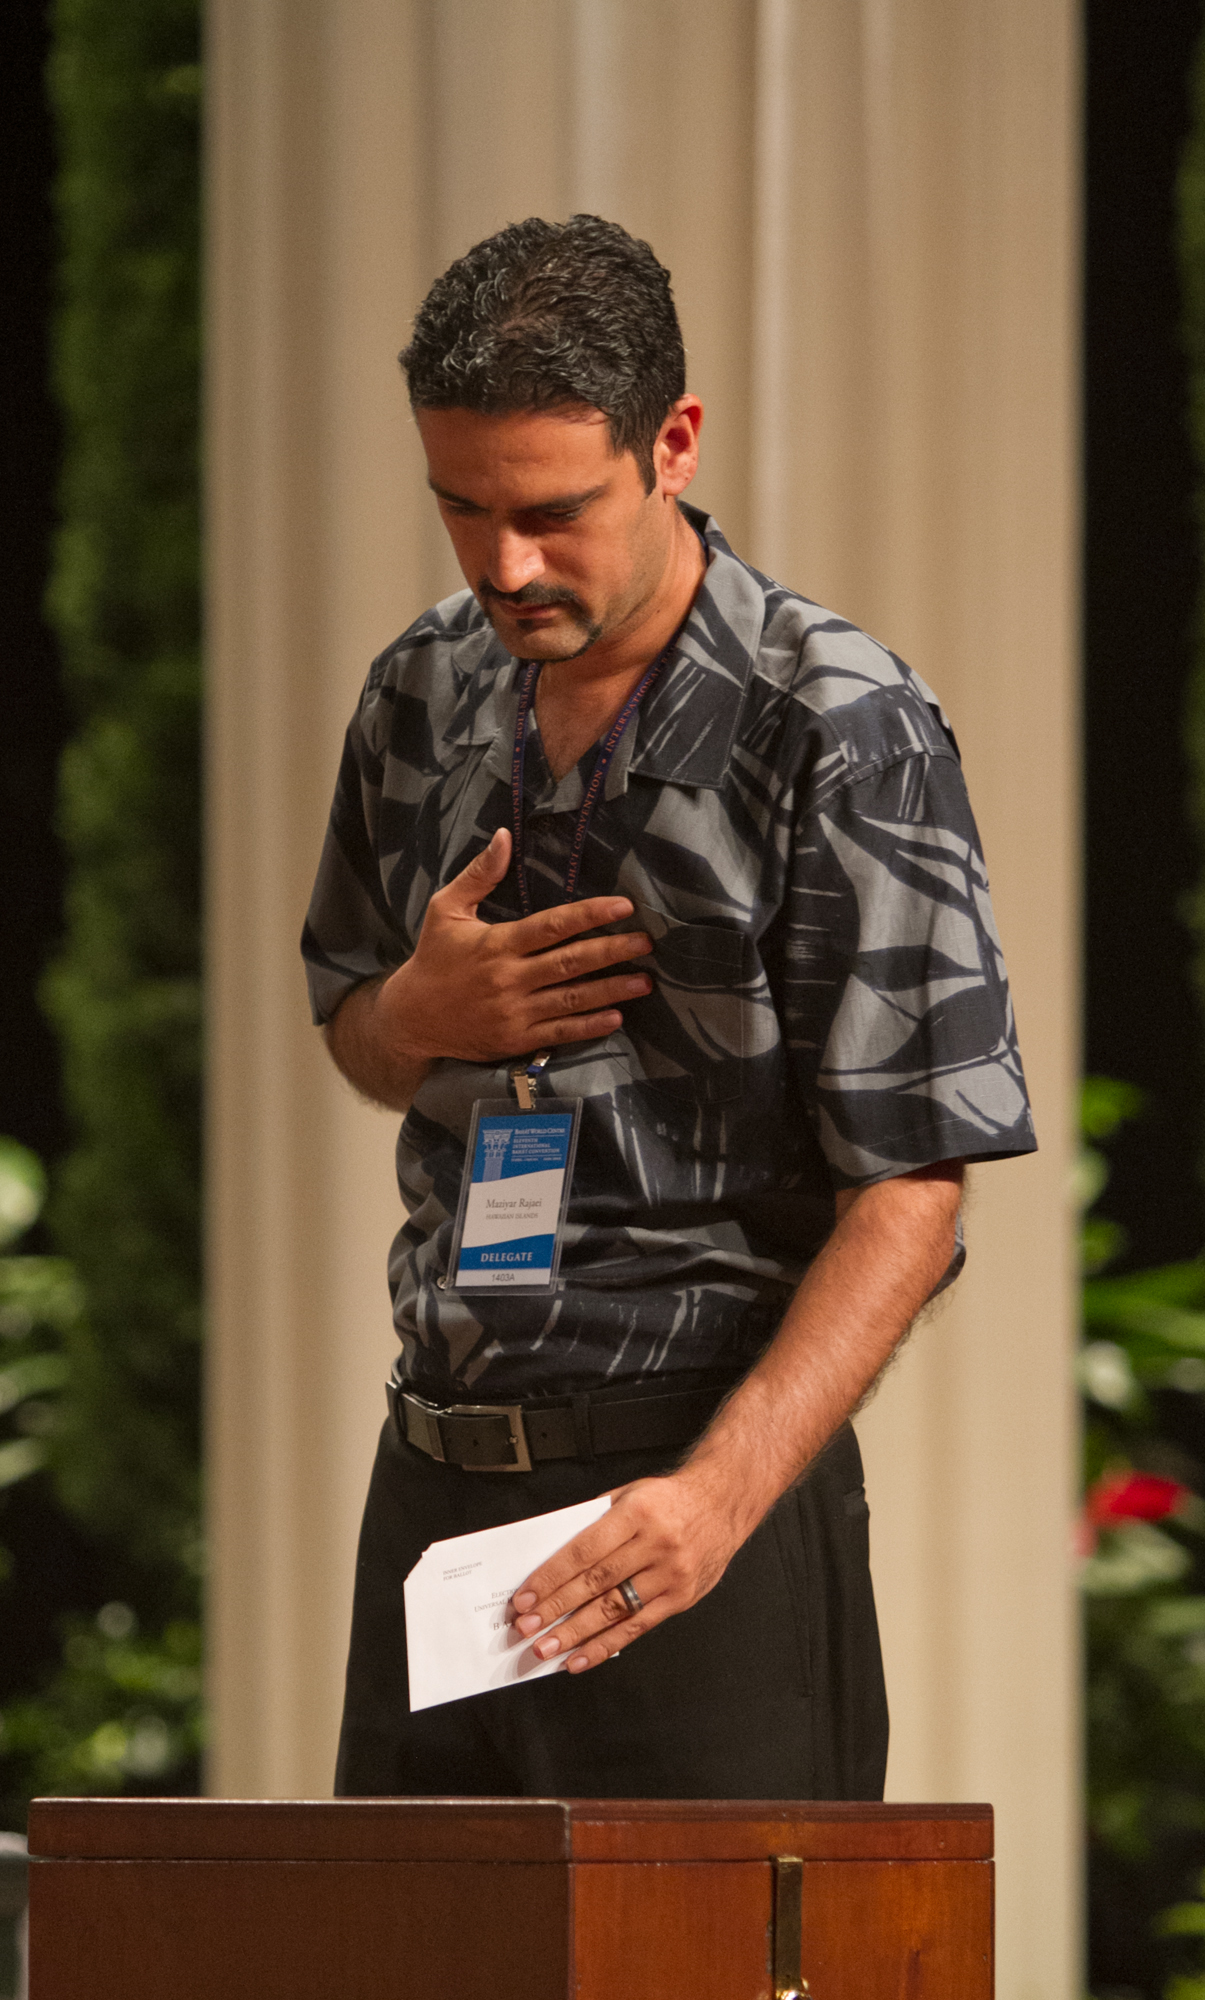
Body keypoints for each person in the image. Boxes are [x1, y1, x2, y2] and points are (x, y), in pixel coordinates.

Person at [302, 214, 1035, 1800]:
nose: (503, 565)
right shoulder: (421, 688)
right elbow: (356, 1033)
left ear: (672, 444)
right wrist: (422, 1010)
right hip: (438, 1478)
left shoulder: (836, 722)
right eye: (461, 509)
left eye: (553, 514)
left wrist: (709, 1505)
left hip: (688, 1499)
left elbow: (911, 1190)